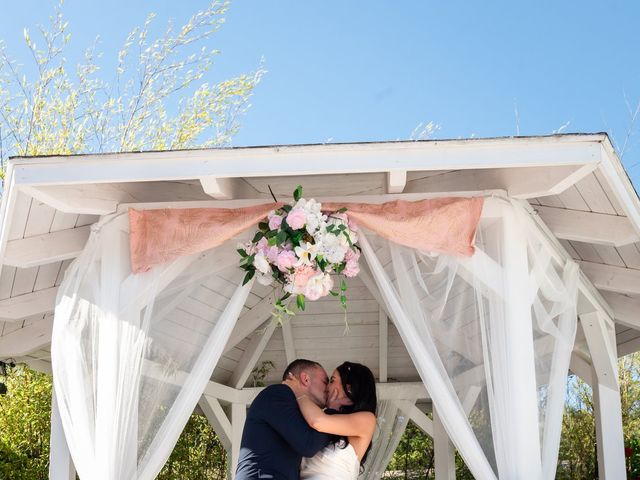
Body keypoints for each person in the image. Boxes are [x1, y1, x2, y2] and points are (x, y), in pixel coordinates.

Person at [235, 359, 332, 480]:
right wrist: (333, 417)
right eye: (325, 382)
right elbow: (308, 444)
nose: (328, 388)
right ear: (305, 379)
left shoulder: (296, 407)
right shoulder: (278, 393)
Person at [285, 361, 377, 480]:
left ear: (348, 388)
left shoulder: (367, 420)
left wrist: (297, 390)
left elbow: (317, 421)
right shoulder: (324, 417)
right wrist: (331, 409)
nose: (327, 387)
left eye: (332, 381)